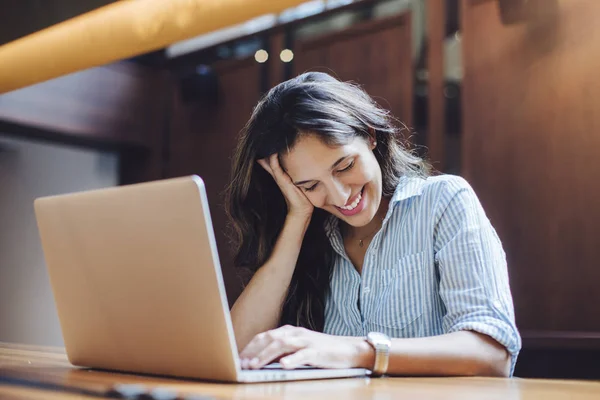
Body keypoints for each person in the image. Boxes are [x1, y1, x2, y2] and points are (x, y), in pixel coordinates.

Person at [225, 72, 521, 377]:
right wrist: (297, 218)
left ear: (370, 135)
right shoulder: (313, 233)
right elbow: (237, 352)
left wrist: (359, 352)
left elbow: (492, 354)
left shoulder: (442, 202)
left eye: (345, 166)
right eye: (311, 184)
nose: (340, 196)